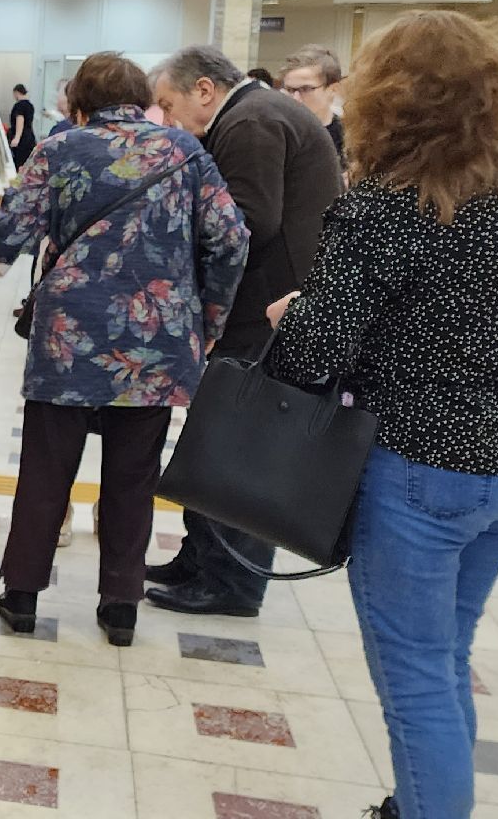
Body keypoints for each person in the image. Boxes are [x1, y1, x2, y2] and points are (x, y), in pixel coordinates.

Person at [262, 10, 498, 819]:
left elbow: (315, 350)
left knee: (414, 679)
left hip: (418, 467)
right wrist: (492, 360)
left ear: (382, 97)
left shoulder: (388, 205)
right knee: (443, 657)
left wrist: (291, 318)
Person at [0, 52, 249, 647]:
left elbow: (10, 236)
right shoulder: (186, 153)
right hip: (157, 344)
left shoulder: (61, 149)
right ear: (141, 98)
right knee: (133, 476)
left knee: (46, 470)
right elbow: (231, 240)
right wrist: (208, 320)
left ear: (79, 103)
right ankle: (121, 607)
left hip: (69, 341)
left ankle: (22, 597)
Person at [145, 45, 343, 617]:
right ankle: (200, 559)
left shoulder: (253, 121)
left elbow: (247, 222)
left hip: (267, 311)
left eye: (169, 104)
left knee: (239, 446)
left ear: (204, 90)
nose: (168, 118)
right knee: (216, 434)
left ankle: (231, 581)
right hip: (260, 306)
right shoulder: (251, 114)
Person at [280, 44, 347, 163]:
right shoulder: (276, 134)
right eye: (289, 90)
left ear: (333, 89)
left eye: (306, 89)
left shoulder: (349, 139)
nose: (295, 98)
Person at [7, 82, 38, 167]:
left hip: (22, 140)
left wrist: (16, 138)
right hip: (30, 138)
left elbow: (20, 120)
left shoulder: (19, 106)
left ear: (16, 92)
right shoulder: (30, 105)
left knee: (19, 165)